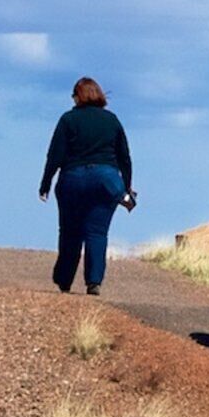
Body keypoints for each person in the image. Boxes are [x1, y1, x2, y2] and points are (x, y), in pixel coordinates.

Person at [40, 76, 137, 294]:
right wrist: (127, 187)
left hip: (72, 179)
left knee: (70, 231)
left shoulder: (68, 119)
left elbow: (55, 155)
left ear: (78, 96)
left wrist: (45, 184)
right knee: (97, 232)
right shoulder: (111, 120)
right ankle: (94, 282)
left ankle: (64, 280)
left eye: (74, 95)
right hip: (105, 180)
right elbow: (124, 157)